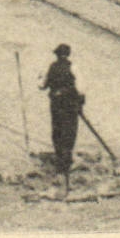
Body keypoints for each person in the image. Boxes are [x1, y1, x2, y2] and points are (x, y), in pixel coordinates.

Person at [41, 44, 84, 185]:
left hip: (56, 103)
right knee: (70, 131)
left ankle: (60, 162)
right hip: (70, 104)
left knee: (57, 131)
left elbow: (42, 85)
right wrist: (80, 103)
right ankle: (67, 162)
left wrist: (40, 78)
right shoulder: (74, 67)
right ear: (68, 55)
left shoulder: (52, 67)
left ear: (57, 55)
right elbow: (81, 88)